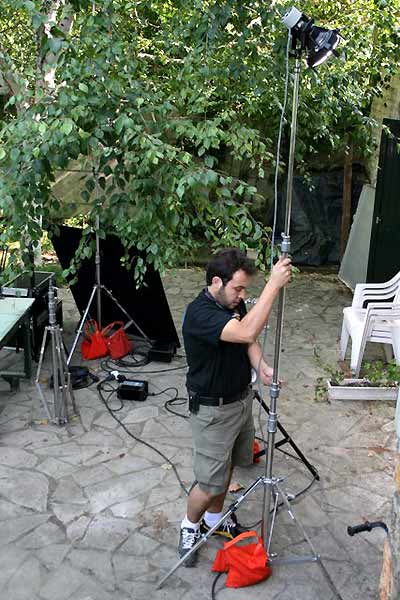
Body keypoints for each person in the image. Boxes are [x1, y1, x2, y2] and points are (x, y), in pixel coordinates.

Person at [179, 247, 292, 566]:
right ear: (217, 281)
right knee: (208, 482)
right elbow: (246, 330)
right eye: (238, 288)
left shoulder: (233, 302)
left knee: (229, 466)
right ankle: (189, 525)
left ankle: (216, 521)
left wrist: (261, 366)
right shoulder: (200, 314)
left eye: (244, 290)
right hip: (212, 411)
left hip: (240, 402)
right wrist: (273, 285)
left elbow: (247, 341)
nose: (241, 296)